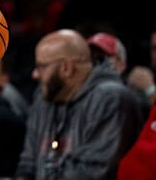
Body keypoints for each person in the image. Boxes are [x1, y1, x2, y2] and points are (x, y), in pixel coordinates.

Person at [15, 29, 143, 180]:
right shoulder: (44, 96)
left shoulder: (110, 99)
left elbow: (93, 173)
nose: (35, 74)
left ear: (66, 68)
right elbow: (28, 164)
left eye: (41, 67)